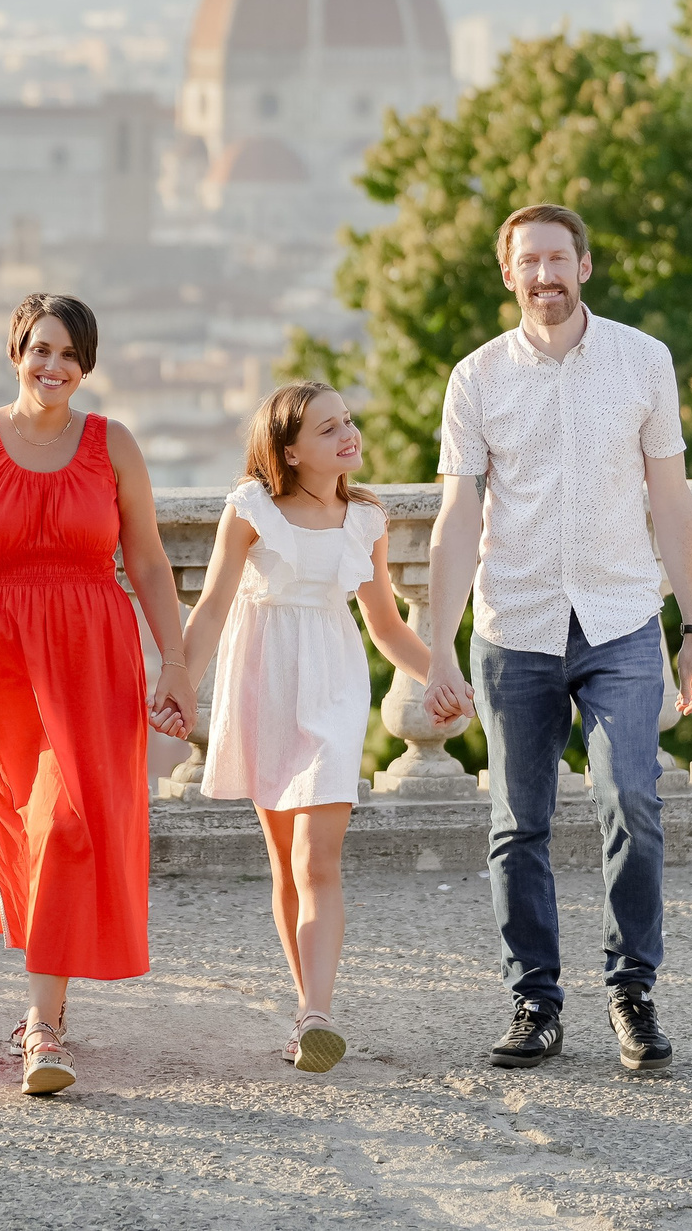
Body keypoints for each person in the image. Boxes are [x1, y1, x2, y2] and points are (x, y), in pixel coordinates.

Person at [425, 205, 692, 1073]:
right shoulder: (475, 377)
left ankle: (632, 992)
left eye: (559, 258)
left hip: (623, 620)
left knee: (632, 800)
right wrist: (438, 646)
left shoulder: (643, 360)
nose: (544, 274)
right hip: (515, 625)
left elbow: (673, 500)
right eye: (529, 262)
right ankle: (535, 1002)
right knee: (519, 824)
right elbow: (456, 515)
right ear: (508, 274)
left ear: (584, 264)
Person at [0, 293, 196, 1097]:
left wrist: (174, 663)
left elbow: (147, 562)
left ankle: (43, 1025)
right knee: (26, 833)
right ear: (15, 352)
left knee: (66, 823)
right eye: (39, 349)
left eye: (69, 353)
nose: (53, 366)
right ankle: (45, 1008)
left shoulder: (113, 445)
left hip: (91, 661)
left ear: (87, 363)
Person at [179, 382, 465, 1072]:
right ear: (289, 449)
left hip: (334, 685)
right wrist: (176, 686)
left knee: (318, 859)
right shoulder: (249, 509)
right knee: (284, 862)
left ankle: (317, 1013)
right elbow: (214, 606)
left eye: (349, 421)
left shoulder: (366, 516)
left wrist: (445, 676)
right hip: (264, 684)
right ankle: (305, 1010)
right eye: (329, 427)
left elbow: (387, 625)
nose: (349, 434)